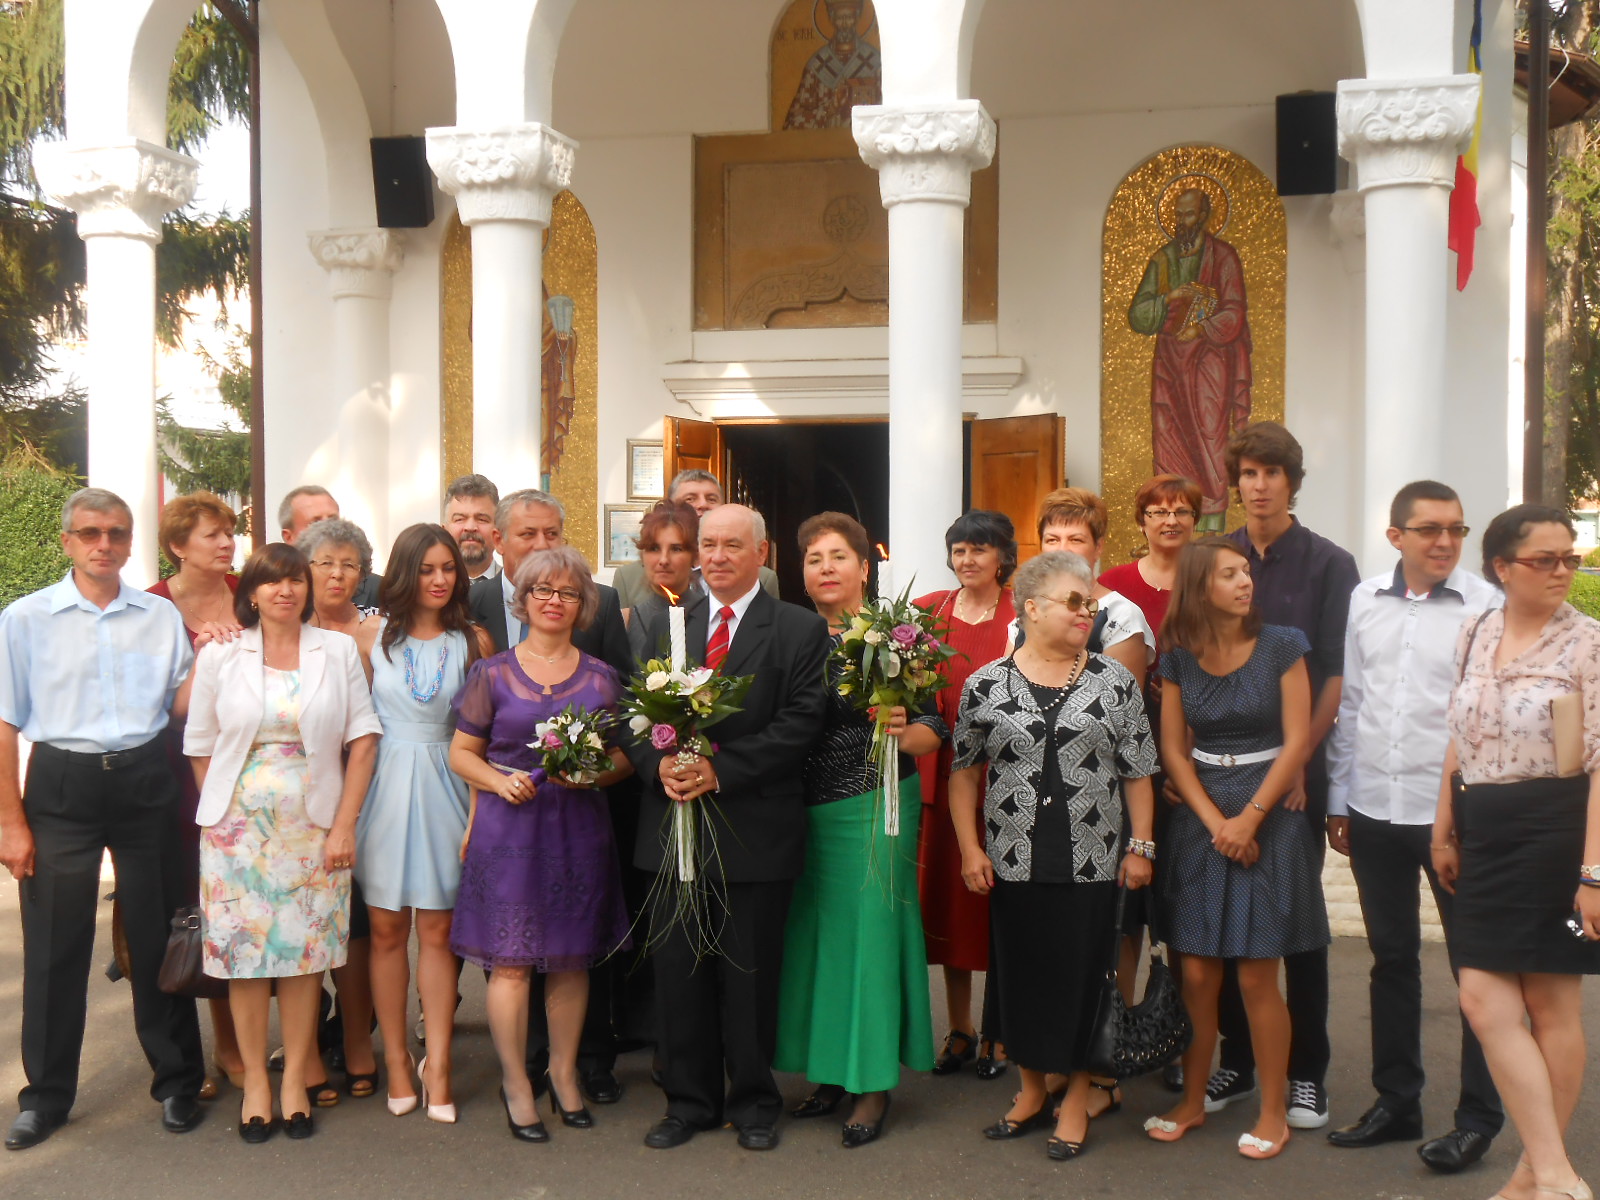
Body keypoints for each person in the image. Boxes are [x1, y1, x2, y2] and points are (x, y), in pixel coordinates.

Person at [0, 488, 206, 1151]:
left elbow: (181, 702)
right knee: (54, 946)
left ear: (129, 540)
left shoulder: (158, 615)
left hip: (145, 779)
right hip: (62, 785)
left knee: (159, 936)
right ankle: (46, 1097)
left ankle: (177, 1082)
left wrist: (216, 654)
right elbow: (4, 723)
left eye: (116, 533)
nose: (104, 544)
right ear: (67, 541)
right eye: (90, 533)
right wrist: (10, 823)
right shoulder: (25, 619)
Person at [628, 503, 830, 1151]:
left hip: (754, 829)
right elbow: (630, 712)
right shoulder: (665, 622)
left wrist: (720, 771)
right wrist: (657, 764)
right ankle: (687, 1103)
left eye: (730, 546)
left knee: (749, 976)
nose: (714, 557)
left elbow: (801, 722)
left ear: (761, 553)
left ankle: (753, 1102)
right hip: (674, 828)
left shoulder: (798, 629)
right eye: (707, 545)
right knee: (678, 974)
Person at [951, 551, 1158, 1162]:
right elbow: (964, 772)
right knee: (1020, 975)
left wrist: (1142, 845)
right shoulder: (985, 683)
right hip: (1011, 857)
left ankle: (1077, 1098)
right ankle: (1033, 1090)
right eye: (1073, 602)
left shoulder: (1113, 681)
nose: (1085, 612)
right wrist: (969, 848)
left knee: (1082, 977)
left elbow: (1138, 770)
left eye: (1089, 603)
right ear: (1032, 608)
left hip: (1092, 857)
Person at [1324, 482, 1503, 1167]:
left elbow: (1484, 717)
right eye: (1429, 529)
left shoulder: (1485, 606)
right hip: (1375, 807)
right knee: (1392, 959)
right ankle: (1397, 1101)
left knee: (1475, 970)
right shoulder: (1364, 599)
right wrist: (1340, 796)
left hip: (1453, 817)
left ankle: (1478, 1119)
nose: (1445, 542)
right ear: (1396, 536)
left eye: (1456, 529)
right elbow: (1353, 702)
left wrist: (1461, 815)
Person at [185, 542, 381, 1143]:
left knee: (304, 957)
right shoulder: (223, 653)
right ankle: (256, 1085)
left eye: (296, 579)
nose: (286, 590)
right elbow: (199, 745)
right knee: (245, 959)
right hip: (237, 835)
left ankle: (295, 1079)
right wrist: (223, 818)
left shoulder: (337, 650)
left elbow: (364, 739)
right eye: (272, 581)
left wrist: (344, 824)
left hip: (314, 828)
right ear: (252, 592)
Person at [1433, 505, 1600, 1200]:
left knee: (1550, 1003)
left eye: (1570, 558)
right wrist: (1444, 826)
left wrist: (1594, 873)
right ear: (1501, 567)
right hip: (1484, 828)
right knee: (1482, 1000)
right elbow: (1459, 733)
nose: (1562, 570)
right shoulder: (1476, 630)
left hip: (1557, 830)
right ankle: (1549, 1171)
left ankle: (1540, 1173)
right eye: (1544, 559)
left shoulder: (1588, 642)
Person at [1144, 536, 1327, 1160]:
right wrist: (1216, 822)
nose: (1245, 581)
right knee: (1197, 973)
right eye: (1229, 574)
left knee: (1255, 974)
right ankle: (1192, 1102)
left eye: (1245, 572)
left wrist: (1248, 820)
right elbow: (1173, 751)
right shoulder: (1179, 658)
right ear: (1200, 588)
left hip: (1269, 809)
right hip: (1202, 813)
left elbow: (1297, 741)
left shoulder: (1282, 644)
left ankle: (1273, 1112)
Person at [448, 547, 634, 1143]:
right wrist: (497, 781)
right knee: (510, 963)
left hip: (577, 830)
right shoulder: (493, 673)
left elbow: (625, 758)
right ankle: (516, 1084)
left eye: (568, 592)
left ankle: (563, 1074)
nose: (555, 601)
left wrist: (591, 774)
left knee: (571, 961)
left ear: (583, 605)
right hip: (508, 831)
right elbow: (461, 753)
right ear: (523, 600)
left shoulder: (602, 678)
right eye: (543, 591)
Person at [775, 513, 943, 1149]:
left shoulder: (899, 636)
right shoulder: (788, 635)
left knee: (870, 937)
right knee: (817, 940)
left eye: (838, 556)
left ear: (864, 568)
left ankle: (871, 1083)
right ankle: (829, 1070)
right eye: (813, 558)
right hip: (802, 810)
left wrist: (903, 728)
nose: (825, 568)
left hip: (877, 803)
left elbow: (935, 729)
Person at [1207, 421, 1357, 1130]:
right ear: (1235, 481)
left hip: (1297, 772)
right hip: (1224, 773)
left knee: (1295, 923)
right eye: (1248, 473)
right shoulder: (1218, 558)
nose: (1260, 485)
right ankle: (1238, 1060)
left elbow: (1335, 676)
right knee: (1228, 921)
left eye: (1272, 473)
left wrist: (1299, 763)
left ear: (1292, 482)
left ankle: (1306, 1073)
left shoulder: (1329, 563)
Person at [358, 524, 493, 1122]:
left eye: (448, 569)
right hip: (384, 785)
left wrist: (478, 812)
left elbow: (486, 736)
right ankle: (395, 1058)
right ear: (403, 573)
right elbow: (354, 727)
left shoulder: (474, 641)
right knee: (387, 930)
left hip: (450, 783)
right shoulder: (368, 636)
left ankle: (437, 1063)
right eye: (426, 569)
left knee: (438, 930)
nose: (439, 580)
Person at [148, 491, 247, 1099]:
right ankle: (204, 1052)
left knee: (239, 902)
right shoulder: (153, 607)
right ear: (178, 546)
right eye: (212, 534)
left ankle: (240, 1046)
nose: (226, 543)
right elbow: (152, 704)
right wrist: (201, 657)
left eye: (229, 533)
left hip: (246, 763)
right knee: (195, 907)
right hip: (177, 771)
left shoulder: (249, 592)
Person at [914, 510, 1018, 1080]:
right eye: (959, 549)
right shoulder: (928, 611)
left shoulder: (1021, 611)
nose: (968, 559)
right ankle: (960, 1028)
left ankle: (1000, 1027)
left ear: (1002, 555)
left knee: (999, 911)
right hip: (940, 773)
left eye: (980, 548)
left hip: (1004, 779)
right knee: (951, 910)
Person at [297, 517, 381, 1099]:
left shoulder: (378, 630)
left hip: (365, 789)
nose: (337, 573)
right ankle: (304, 1047)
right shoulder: (283, 627)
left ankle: (356, 1040)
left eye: (349, 564)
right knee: (300, 922)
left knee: (356, 925)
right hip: (297, 798)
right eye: (325, 562)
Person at [1127, 186, 1253, 531]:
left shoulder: (1224, 256)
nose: (1183, 221)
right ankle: (1172, 526)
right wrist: (1169, 298)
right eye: (1179, 215)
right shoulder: (1163, 259)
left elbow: (1235, 311)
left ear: (1204, 215)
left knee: (1210, 438)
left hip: (1210, 363)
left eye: (1190, 214)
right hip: (1170, 362)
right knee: (1169, 438)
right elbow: (1137, 315)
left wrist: (1201, 328)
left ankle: (1211, 529)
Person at [1029, 487, 1155, 690]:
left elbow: (1118, 702)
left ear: (1098, 547)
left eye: (1075, 540)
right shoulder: (1030, 609)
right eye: (1052, 540)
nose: (1062, 549)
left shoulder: (1121, 616)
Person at [612, 469, 779, 608]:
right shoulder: (628, 578)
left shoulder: (761, 578)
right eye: (690, 499)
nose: (702, 505)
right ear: (673, 507)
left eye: (711, 499)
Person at [1098, 474, 1202, 642]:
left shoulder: (1215, 580)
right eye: (1160, 512)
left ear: (1195, 521)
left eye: (1182, 512)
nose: (1172, 521)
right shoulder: (1112, 584)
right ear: (1142, 522)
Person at [782, 0, 882, 130]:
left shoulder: (874, 61)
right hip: (824, 141)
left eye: (849, 17)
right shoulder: (817, 65)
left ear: (857, 17)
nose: (845, 24)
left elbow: (889, 113)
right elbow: (793, 123)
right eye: (839, 18)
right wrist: (830, 108)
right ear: (831, 18)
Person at [278, 486, 382, 610]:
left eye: (333, 521)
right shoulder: (274, 592)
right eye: (316, 523)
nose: (327, 529)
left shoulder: (376, 589)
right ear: (289, 537)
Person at [624, 501, 699, 663]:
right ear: (642, 556)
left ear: (694, 556)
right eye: (654, 548)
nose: (664, 560)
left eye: (676, 549)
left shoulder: (713, 619)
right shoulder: (624, 622)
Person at [443, 473, 502, 582]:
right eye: (460, 519)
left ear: (499, 532)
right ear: (444, 531)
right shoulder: (426, 589)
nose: (470, 527)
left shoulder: (518, 587)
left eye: (482, 519)